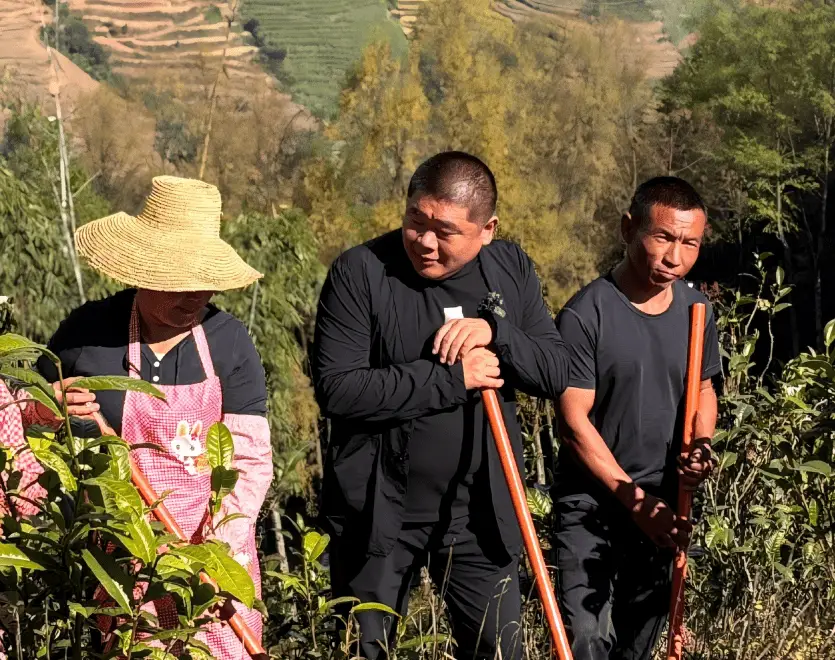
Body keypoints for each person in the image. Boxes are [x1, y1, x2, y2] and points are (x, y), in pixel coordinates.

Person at [313, 151, 570, 659]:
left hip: (479, 517)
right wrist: (451, 379)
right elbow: (338, 389)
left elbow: (556, 371)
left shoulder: (509, 268)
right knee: (363, 652)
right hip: (378, 516)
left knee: (498, 652)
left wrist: (498, 333)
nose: (425, 241)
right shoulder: (361, 272)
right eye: (416, 220)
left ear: (487, 230)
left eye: (445, 231)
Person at [34, 176, 272, 660]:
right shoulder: (87, 333)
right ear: (143, 271)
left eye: (205, 282)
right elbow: (23, 426)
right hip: (124, 555)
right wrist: (46, 407)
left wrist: (212, 553)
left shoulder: (229, 341)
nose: (196, 296)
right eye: (180, 282)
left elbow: (249, 459)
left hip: (211, 554)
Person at [552, 176, 721, 659]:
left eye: (690, 243)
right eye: (663, 237)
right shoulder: (585, 315)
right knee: (586, 638)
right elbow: (573, 423)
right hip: (593, 502)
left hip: (666, 503)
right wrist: (633, 501)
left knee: (640, 642)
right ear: (629, 229)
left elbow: (703, 389)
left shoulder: (696, 310)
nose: (675, 257)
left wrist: (701, 445)